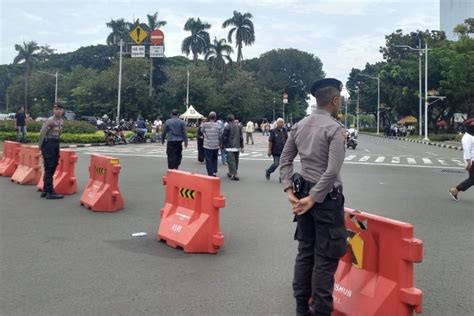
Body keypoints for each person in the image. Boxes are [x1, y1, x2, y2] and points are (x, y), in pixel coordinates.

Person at [280, 78, 348, 316]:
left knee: (305, 252)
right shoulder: (335, 129)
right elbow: (332, 170)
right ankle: (319, 311)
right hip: (325, 201)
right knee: (325, 260)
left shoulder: (299, 125)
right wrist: (315, 197)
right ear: (335, 100)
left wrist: (290, 190)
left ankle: (301, 309)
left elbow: (285, 159)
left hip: (301, 196)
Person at [38, 102, 65, 199]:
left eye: (60, 109)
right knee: (50, 167)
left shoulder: (61, 121)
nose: (58, 111)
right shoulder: (50, 121)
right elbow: (42, 133)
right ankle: (50, 191)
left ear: (63, 110)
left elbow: (58, 134)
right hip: (49, 144)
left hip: (55, 144)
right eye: (56, 109)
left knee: (52, 167)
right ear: (53, 110)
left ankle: (45, 190)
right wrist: (40, 147)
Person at [449, 118, 474, 200]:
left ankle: (456, 190)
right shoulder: (467, 137)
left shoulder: (472, 136)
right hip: (472, 161)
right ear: (469, 126)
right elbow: (467, 151)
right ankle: (456, 190)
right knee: (472, 179)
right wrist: (468, 162)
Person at [221, 114, 244, 181]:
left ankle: (234, 174)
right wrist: (242, 146)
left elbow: (224, 137)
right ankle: (232, 172)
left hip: (229, 146)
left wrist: (222, 144)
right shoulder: (238, 127)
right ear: (233, 119)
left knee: (231, 161)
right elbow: (241, 137)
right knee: (235, 161)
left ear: (228, 120)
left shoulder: (227, 127)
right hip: (237, 146)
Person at [201, 112, 221, 176]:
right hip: (215, 144)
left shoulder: (205, 125)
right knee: (215, 158)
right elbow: (220, 135)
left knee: (208, 159)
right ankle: (214, 171)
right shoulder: (218, 125)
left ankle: (210, 173)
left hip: (207, 144)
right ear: (215, 117)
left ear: (209, 117)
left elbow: (201, 131)